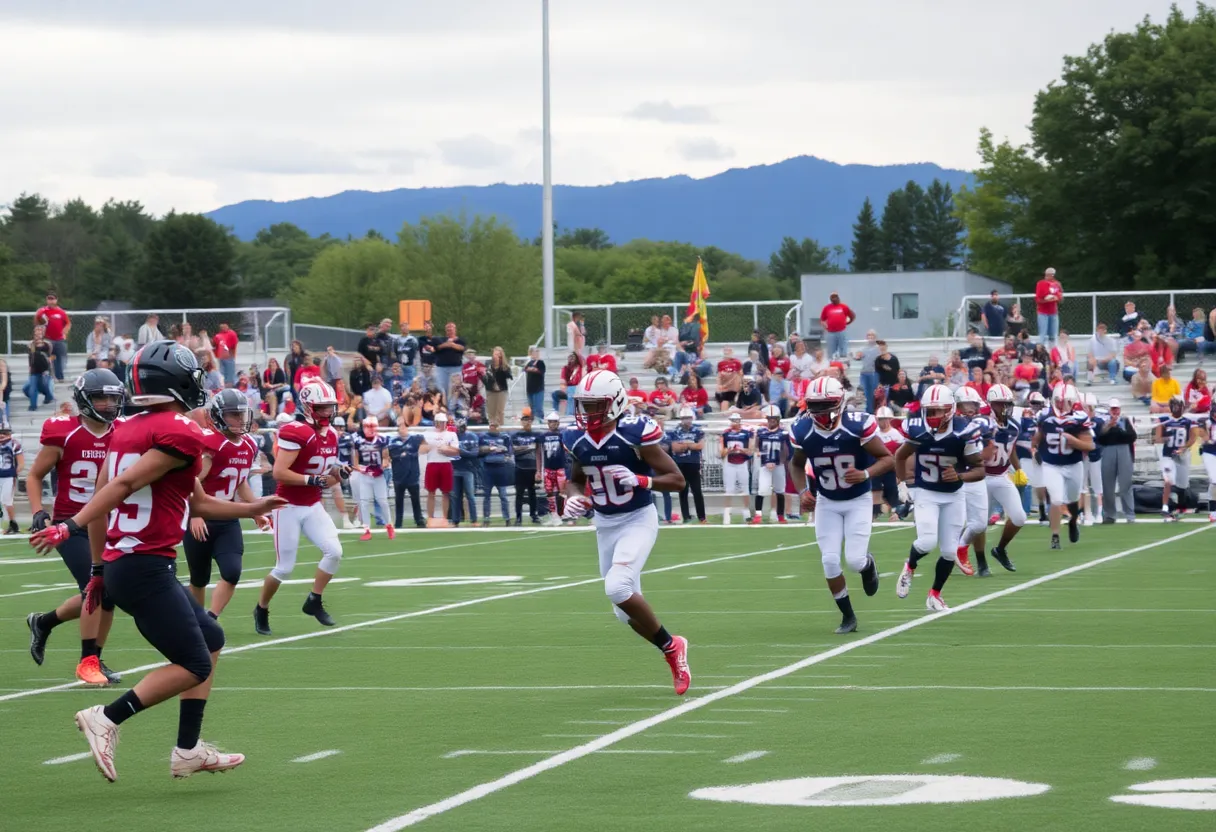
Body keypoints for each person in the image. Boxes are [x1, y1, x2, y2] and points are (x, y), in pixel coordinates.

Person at [29, 340, 284, 782]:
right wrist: (67, 527)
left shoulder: (125, 429)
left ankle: (188, 750)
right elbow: (123, 485)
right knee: (195, 663)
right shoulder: (179, 432)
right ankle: (106, 718)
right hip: (145, 565)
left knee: (212, 637)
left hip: (131, 562)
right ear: (177, 381)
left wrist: (252, 508)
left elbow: (196, 503)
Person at [561, 369, 690, 695]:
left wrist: (643, 480)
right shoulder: (577, 438)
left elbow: (677, 480)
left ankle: (673, 649)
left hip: (637, 519)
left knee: (617, 586)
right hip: (605, 524)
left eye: (595, 406)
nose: (588, 413)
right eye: (585, 405)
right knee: (622, 612)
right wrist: (574, 498)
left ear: (615, 403)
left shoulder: (633, 434)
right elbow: (574, 478)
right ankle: (671, 645)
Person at [24, 369, 127, 686]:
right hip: (72, 525)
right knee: (96, 587)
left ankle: (46, 624)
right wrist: (39, 511)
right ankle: (87, 661)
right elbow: (34, 476)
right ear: (84, 400)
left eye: (112, 397)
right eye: (101, 397)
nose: (108, 403)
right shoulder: (64, 433)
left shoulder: (124, 432)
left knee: (108, 594)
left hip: (110, 523)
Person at [790, 377, 892, 633]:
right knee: (830, 561)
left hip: (858, 499)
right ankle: (848, 616)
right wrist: (803, 490)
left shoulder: (856, 426)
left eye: (827, 404)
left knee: (855, 560)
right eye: (816, 405)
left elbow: (887, 459)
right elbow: (795, 463)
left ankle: (868, 565)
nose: (821, 410)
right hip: (827, 502)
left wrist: (866, 473)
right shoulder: (803, 430)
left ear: (840, 402)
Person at [254, 380, 346, 635]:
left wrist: (340, 473)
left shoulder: (332, 434)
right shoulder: (297, 431)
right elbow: (280, 472)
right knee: (284, 568)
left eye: (330, 407)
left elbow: (326, 475)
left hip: (312, 504)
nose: (328, 412)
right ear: (308, 407)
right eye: (323, 407)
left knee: (334, 552)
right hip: (288, 506)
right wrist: (312, 480)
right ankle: (261, 607)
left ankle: (313, 600)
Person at [893, 384, 986, 611]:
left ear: (951, 409)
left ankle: (934, 594)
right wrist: (902, 483)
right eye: (930, 411)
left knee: (947, 551)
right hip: (927, 492)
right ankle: (910, 566)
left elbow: (980, 469)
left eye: (939, 410)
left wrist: (961, 475)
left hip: (954, 495)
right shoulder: (918, 429)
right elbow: (900, 455)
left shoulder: (963, 430)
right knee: (926, 541)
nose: (934, 416)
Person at [181, 388, 265, 619]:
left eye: (242, 414)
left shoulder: (248, 445)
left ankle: (211, 617)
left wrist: (256, 508)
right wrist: (196, 514)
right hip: (203, 519)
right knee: (199, 578)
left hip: (227, 519)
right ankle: (197, 621)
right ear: (218, 416)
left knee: (232, 572)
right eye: (233, 415)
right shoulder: (211, 444)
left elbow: (239, 482)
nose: (240, 420)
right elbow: (191, 482)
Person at [1032, 383, 1094, 549]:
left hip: (1073, 464)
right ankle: (1055, 535)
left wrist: (1073, 441)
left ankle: (1073, 521)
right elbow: (1038, 436)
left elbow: (1090, 446)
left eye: (1066, 401)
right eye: (1059, 400)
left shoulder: (1079, 417)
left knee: (1073, 499)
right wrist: (1034, 449)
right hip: (1051, 464)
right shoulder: (1044, 415)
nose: (1061, 404)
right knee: (1056, 499)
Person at [948, 386, 992, 578]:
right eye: (967, 404)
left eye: (973, 404)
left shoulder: (978, 424)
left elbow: (982, 452)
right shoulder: (948, 424)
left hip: (972, 477)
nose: (972, 408)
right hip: (953, 479)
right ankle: (947, 561)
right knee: (952, 525)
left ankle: (966, 552)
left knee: (979, 523)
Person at [1154, 396, 1199, 521]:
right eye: (1174, 404)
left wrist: (1183, 447)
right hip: (1168, 455)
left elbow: (1193, 438)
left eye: (1178, 405)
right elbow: (1157, 439)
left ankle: (1179, 508)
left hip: (1182, 455)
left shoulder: (1188, 421)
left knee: (1183, 485)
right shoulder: (1164, 420)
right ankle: (1164, 508)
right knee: (1168, 481)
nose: (1176, 407)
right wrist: (1166, 437)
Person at [351, 419, 393, 540]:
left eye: (372, 426)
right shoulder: (358, 441)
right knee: (364, 503)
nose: (370, 429)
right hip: (365, 476)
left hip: (378, 476)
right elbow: (355, 461)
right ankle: (367, 530)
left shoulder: (382, 440)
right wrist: (363, 469)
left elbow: (386, 458)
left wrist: (382, 466)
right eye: (367, 426)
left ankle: (389, 525)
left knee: (382, 501)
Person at [751, 404, 789, 524]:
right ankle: (758, 516)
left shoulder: (783, 433)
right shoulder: (761, 432)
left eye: (774, 418)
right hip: (764, 465)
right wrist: (764, 459)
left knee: (780, 490)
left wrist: (777, 462)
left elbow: (786, 451)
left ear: (778, 419)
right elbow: (756, 447)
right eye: (770, 418)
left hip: (778, 465)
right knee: (762, 490)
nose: (771, 421)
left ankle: (780, 516)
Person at [667, 408, 706, 524]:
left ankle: (702, 518)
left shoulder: (698, 431)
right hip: (680, 464)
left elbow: (700, 446)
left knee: (697, 491)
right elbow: (675, 448)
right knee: (682, 491)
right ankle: (686, 517)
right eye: (684, 418)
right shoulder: (675, 431)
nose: (687, 421)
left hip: (693, 463)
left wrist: (684, 445)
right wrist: (691, 445)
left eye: (688, 418)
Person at [420, 412, 459, 525]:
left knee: (445, 492)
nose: (443, 424)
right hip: (432, 463)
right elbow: (421, 450)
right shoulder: (427, 434)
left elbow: (456, 451)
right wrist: (429, 447)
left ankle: (444, 518)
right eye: (440, 422)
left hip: (445, 463)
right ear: (436, 423)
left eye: (444, 422)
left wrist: (446, 450)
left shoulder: (451, 435)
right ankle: (430, 518)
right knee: (431, 492)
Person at [870, 407, 908, 520]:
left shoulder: (896, 435)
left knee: (892, 490)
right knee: (875, 490)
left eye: (886, 419)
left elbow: (901, 455)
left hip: (890, 469)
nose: (884, 422)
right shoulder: (874, 434)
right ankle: (874, 513)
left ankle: (895, 513)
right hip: (877, 467)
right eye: (881, 419)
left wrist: (899, 472)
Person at [388, 422, 425, 529]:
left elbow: (426, 446)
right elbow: (390, 455)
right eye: (400, 427)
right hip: (399, 475)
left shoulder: (414, 440)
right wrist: (400, 455)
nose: (402, 429)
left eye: (404, 427)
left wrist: (414, 453)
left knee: (415, 499)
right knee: (399, 500)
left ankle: (419, 520)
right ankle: (398, 522)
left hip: (412, 475)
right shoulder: (393, 442)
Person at [719, 413, 753, 525]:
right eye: (733, 420)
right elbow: (721, 453)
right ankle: (727, 514)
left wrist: (741, 450)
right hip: (729, 463)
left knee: (745, 488)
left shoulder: (746, 433)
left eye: (736, 420)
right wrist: (729, 450)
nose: (735, 422)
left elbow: (750, 451)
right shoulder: (725, 434)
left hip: (742, 463)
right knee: (729, 489)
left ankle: (746, 513)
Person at [479, 419, 513, 525]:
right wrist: (488, 449)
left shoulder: (505, 437)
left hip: (500, 468)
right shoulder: (483, 437)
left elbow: (509, 451)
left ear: (499, 426)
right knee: (487, 495)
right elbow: (479, 450)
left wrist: (506, 457)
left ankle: (507, 518)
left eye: (495, 426)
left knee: (503, 495)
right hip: (488, 468)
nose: (493, 427)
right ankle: (486, 519)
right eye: (491, 425)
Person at [1079, 392, 1106, 526]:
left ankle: (1099, 512)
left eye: (1086, 408)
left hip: (1095, 455)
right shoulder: (1080, 421)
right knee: (1082, 485)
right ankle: (1084, 512)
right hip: (1083, 456)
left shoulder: (1098, 422)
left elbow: (1101, 439)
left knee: (1097, 483)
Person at [450, 418, 481, 527]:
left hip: (468, 469)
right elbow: (449, 452)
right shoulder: (452, 437)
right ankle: (455, 520)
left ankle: (474, 520)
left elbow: (475, 453)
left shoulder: (472, 436)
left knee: (470, 496)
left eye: (461, 427)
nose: (459, 430)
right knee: (455, 496)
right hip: (455, 468)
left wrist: (461, 451)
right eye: (457, 427)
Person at [511, 410, 541, 525]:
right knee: (519, 493)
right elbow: (515, 450)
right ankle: (518, 517)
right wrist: (529, 447)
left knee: (532, 492)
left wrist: (538, 470)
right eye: (524, 420)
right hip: (520, 467)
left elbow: (538, 451)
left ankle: (534, 515)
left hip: (532, 467)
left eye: (528, 420)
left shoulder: (536, 435)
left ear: (531, 421)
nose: (526, 422)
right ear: (521, 421)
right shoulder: (516, 435)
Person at [539, 412, 569, 526]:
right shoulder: (543, 436)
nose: (552, 424)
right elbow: (539, 452)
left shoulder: (562, 435)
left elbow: (567, 451)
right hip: (548, 468)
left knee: (562, 492)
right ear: (548, 423)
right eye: (550, 422)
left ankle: (563, 514)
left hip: (560, 467)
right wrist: (539, 470)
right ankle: (554, 515)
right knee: (549, 492)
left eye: (554, 422)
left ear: (558, 423)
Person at [35, 292, 71, 382]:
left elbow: (68, 323)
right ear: (46, 300)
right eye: (49, 299)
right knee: (50, 358)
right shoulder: (43, 311)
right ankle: (50, 377)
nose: (51, 301)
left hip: (59, 339)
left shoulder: (61, 312)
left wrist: (65, 332)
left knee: (60, 358)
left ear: (56, 300)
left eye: (52, 299)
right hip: (48, 339)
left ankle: (60, 377)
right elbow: (37, 320)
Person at [0, 422, 22, 534]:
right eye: (0, 433)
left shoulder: (14, 443)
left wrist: (14, 473)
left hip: (8, 476)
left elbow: (21, 463)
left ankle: (13, 524)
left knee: (7, 501)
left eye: (4, 433)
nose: (2, 435)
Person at [24, 327, 54, 410]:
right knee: (32, 387)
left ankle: (49, 396)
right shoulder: (31, 344)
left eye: (40, 332)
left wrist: (50, 366)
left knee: (43, 386)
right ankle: (33, 406)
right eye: (36, 332)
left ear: (43, 334)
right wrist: (30, 367)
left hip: (44, 370)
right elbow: (30, 357)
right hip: (34, 369)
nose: (38, 334)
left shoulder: (47, 344)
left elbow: (51, 356)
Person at [820, 292, 855, 360]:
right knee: (831, 353)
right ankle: (832, 365)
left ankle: (843, 364)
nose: (834, 298)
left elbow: (852, 316)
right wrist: (826, 327)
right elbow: (822, 320)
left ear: (838, 297)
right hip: (831, 333)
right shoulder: (826, 308)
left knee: (843, 352)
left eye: (835, 296)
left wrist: (847, 323)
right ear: (830, 299)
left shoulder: (844, 307)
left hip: (842, 332)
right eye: (832, 297)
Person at [1034, 267, 1063, 346]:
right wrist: (1047, 300)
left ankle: (1052, 353)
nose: (1049, 277)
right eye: (1047, 275)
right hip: (1042, 312)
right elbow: (1037, 299)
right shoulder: (1041, 284)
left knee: (1053, 335)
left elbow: (1061, 299)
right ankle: (1041, 353)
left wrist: (1056, 298)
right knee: (1042, 335)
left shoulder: (1057, 284)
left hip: (1053, 312)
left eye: (1051, 275)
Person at [484, 346, 512, 426]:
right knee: (491, 411)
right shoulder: (488, 363)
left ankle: (501, 427)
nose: (496, 356)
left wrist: (501, 366)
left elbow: (508, 376)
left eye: (498, 354)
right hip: (490, 389)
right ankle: (492, 426)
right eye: (495, 353)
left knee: (500, 411)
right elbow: (485, 375)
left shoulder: (504, 366)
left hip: (501, 390)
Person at [1200, 397, 1216, 523]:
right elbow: (1203, 435)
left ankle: (1213, 510)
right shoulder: (1206, 421)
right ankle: (1213, 511)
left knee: (1214, 482)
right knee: (1214, 480)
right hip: (1210, 452)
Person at [523, 346, 546, 419]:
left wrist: (533, 369)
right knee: (531, 408)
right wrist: (529, 369)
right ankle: (532, 421)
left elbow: (541, 371)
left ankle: (540, 421)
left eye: (537, 351)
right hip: (530, 389)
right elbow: (525, 369)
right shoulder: (529, 362)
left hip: (538, 388)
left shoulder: (540, 362)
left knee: (538, 408)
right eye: (534, 351)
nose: (536, 353)